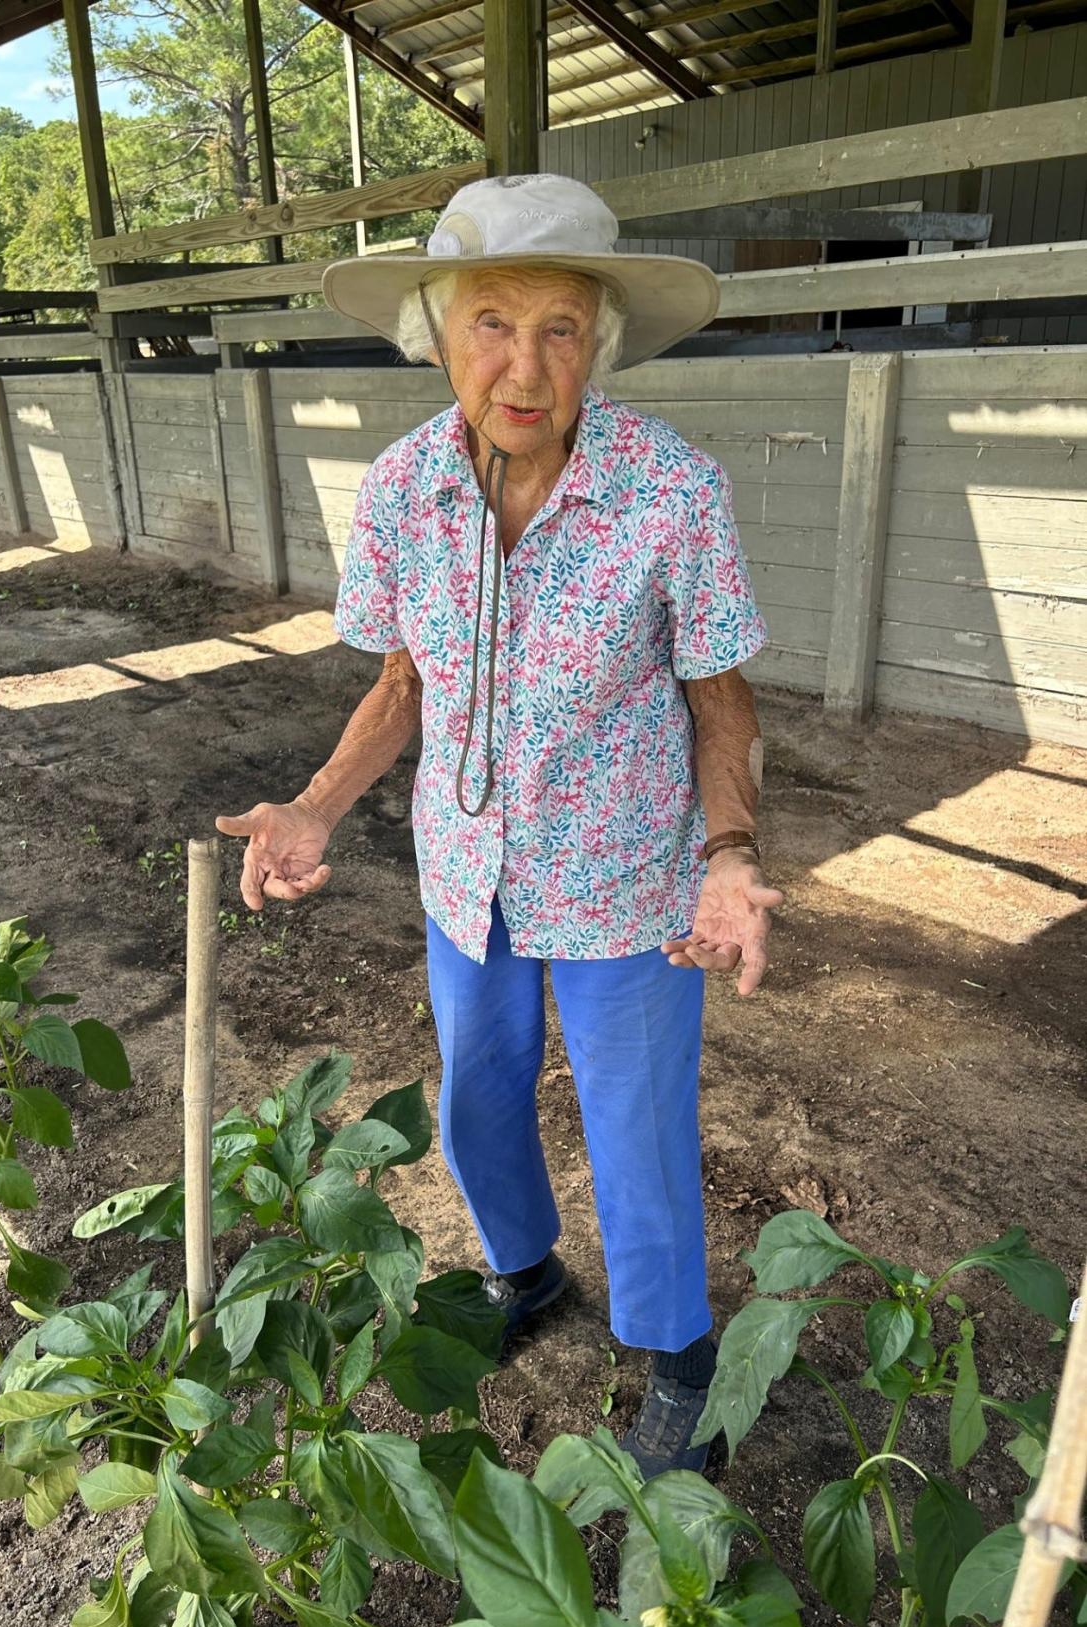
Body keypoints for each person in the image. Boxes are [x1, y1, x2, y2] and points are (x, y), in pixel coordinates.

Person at [216, 174, 783, 1478]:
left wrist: (731, 854)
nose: (523, 364)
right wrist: (314, 806)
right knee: (475, 1105)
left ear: (600, 340)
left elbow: (719, 697)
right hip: (467, 875)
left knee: (634, 1129)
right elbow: (402, 679)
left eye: (559, 327)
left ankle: (678, 1364)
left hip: (626, 880)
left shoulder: (668, 491)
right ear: (437, 329)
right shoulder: (405, 489)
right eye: (490, 322)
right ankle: (526, 1278)